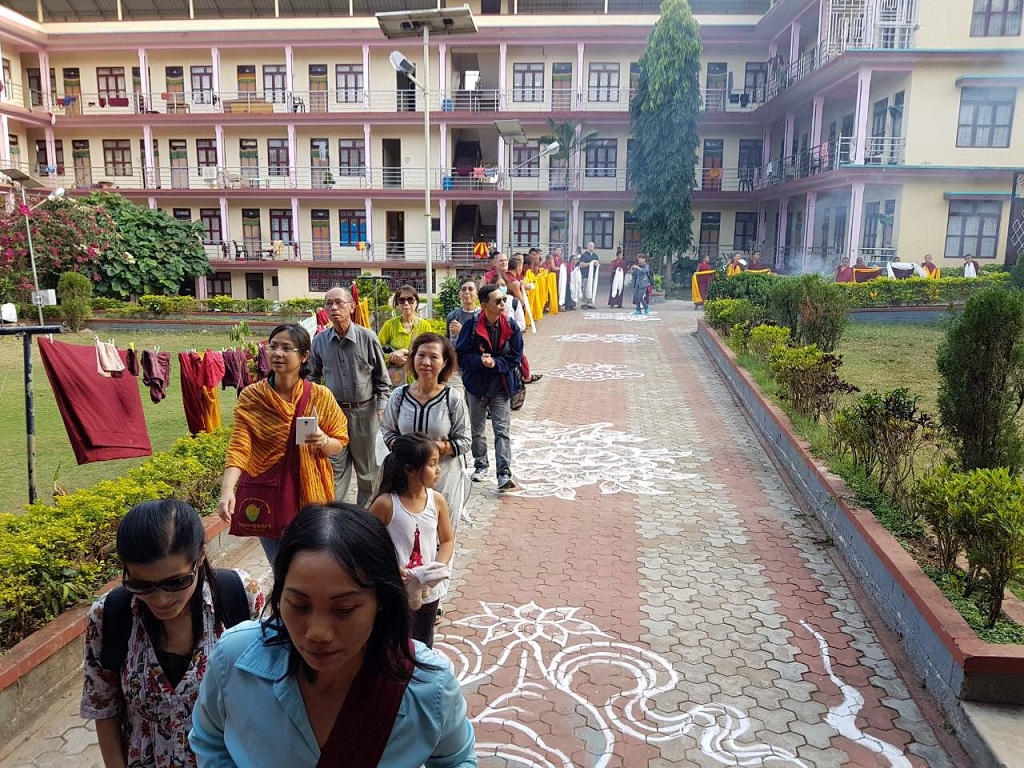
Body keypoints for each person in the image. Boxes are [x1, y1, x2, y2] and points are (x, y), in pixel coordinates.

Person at [189, 504, 477, 767]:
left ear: (381, 601)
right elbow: (209, 740)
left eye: (344, 609)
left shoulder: (430, 686)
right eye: (299, 605)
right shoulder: (233, 660)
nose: (318, 633)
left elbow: (458, 760)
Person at [82, 500, 264, 768]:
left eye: (176, 582)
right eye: (141, 585)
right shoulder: (108, 615)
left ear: (200, 557)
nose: (161, 599)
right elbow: (105, 706)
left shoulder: (241, 597)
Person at [220, 324, 348, 564]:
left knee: (312, 564)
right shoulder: (252, 397)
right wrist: (227, 490)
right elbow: (239, 447)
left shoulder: (320, 396)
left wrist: (323, 440)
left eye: (287, 348)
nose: (277, 353)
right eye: (273, 347)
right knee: (280, 566)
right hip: (268, 491)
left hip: (312, 494)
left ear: (304, 356)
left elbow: (339, 443)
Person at [380, 333, 471, 537]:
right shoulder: (399, 396)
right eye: (421, 355)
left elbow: (465, 441)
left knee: (441, 538)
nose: (426, 362)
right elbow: (387, 430)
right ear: (413, 358)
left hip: (443, 478)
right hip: (404, 479)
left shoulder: (452, 399)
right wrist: (408, 450)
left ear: (444, 362)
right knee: (405, 537)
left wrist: (438, 448)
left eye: (434, 357)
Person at [369, 433, 454, 647]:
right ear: (409, 470)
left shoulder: (437, 501)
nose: (438, 470)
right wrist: (390, 569)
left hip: (428, 591)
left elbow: (447, 540)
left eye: (438, 463)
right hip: (394, 590)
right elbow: (367, 543)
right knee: (392, 643)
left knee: (423, 644)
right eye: (432, 464)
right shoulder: (386, 504)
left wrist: (437, 567)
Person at [309, 287, 392, 509]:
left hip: (365, 414)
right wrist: (315, 405)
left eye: (339, 302)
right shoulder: (319, 341)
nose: (334, 308)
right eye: (329, 303)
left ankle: (365, 520)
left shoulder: (367, 338)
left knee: (368, 474)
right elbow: (311, 377)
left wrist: (381, 408)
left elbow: (382, 379)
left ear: (352, 306)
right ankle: (333, 518)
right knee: (334, 470)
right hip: (333, 414)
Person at [455, 283, 524, 492]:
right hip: (476, 387)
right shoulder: (471, 327)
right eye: (498, 301)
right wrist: (479, 361)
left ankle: (504, 472)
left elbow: (516, 357)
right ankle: (480, 464)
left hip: (500, 387)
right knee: (477, 429)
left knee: (502, 430)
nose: (503, 304)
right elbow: (461, 356)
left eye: (503, 300)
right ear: (484, 305)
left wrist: (496, 363)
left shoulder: (510, 326)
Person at [379, 284, 432, 385]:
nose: (406, 303)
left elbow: (430, 352)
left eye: (410, 300)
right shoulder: (389, 325)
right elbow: (376, 351)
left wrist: (407, 353)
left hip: (418, 379)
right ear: (397, 304)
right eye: (402, 300)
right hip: (395, 380)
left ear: (416, 303)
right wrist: (392, 356)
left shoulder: (425, 326)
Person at [446, 279, 479, 343]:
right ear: (459, 294)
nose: (467, 292)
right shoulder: (452, 316)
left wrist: (462, 331)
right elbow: (448, 340)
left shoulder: (482, 316)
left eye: (470, 289)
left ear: (477, 293)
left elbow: (482, 341)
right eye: (464, 289)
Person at [579, 241, 600, 308]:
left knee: (591, 288)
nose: (591, 247)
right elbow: (581, 264)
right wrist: (590, 263)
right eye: (590, 245)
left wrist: (597, 263)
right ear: (587, 247)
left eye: (592, 246)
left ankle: (589, 303)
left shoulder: (595, 255)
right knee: (585, 289)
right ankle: (583, 303)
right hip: (585, 275)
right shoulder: (584, 255)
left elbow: (598, 263)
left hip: (593, 276)